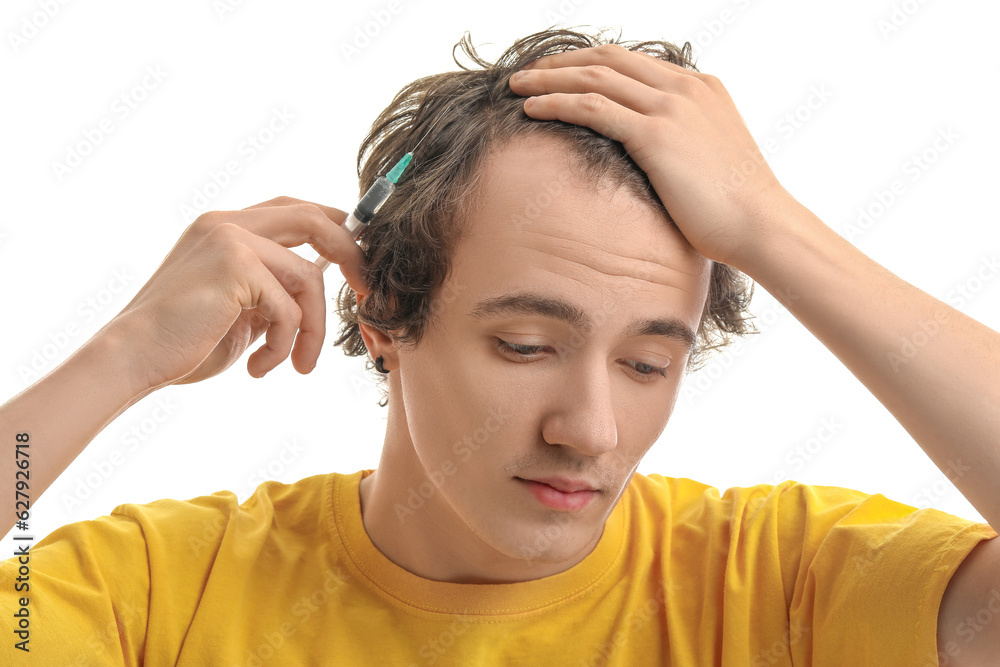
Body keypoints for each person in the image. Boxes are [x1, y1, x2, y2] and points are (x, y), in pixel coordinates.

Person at [2, 26, 998, 665]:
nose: (591, 428)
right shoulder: (158, 590)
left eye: (650, 361)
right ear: (381, 311)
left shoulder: (779, 585)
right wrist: (123, 354)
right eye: (526, 344)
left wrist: (772, 228)